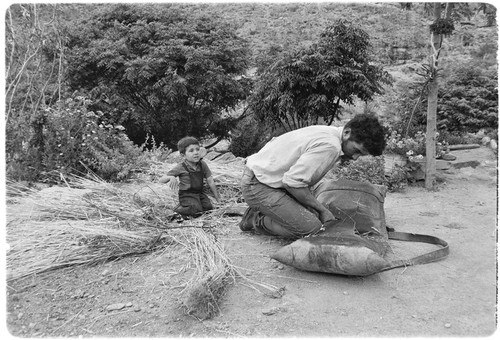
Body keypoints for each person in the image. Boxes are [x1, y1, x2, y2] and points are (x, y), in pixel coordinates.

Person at [239, 114, 386, 238]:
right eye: (357, 150)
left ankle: (268, 211)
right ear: (347, 132)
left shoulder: (330, 132)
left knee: (314, 215)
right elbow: (292, 182)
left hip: (269, 181)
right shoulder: (331, 146)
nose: (355, 158)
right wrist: (321, 209)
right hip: (258, 186)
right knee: (312, 228)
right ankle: (255, 219)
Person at [160, 136, 221, 217]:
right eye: (191, 151)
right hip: (186, 194)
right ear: (183, 155)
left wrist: (217, 198)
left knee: (208, 208)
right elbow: (161, 179)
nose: (196, 152)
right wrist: (171, 177)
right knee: (196, 210)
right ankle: (176, 212)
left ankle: (189, 208)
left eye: (197, 149)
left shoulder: (202, 164)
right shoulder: (181, 167)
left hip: (199, 193)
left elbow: (210, 180)